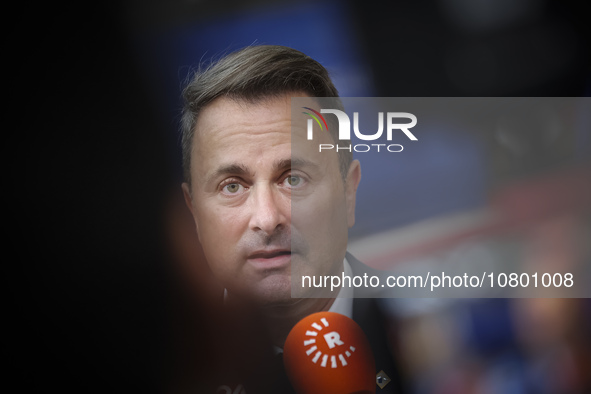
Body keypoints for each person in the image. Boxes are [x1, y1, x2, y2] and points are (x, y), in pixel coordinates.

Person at [180, 45, 405, 393]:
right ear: (193, 214)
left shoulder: (425, 337)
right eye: (232, 186)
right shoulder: (163, 365)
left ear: (349, 192)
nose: (267, 219)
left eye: (293, 179)